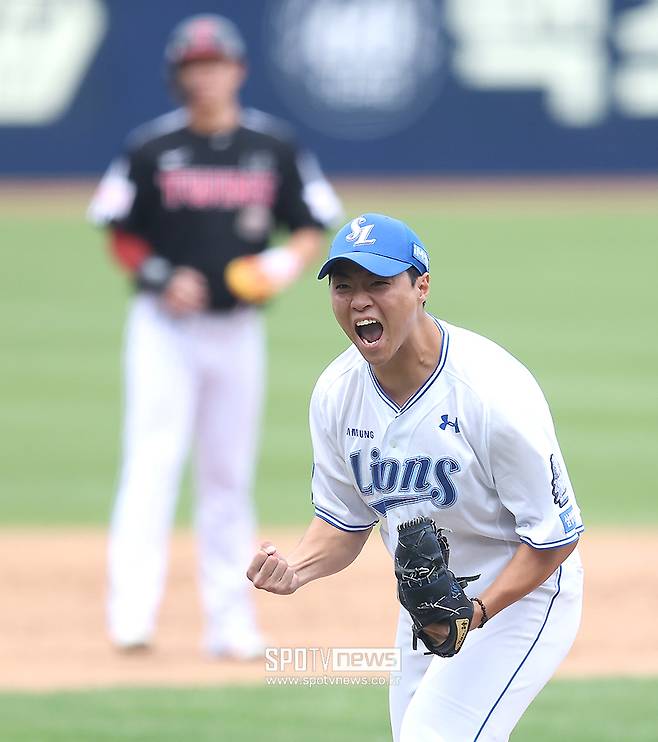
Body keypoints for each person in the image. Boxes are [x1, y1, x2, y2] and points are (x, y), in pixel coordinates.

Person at [247, 213, 584, 740]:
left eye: (379, 284)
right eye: (344, 287)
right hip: (423, 599)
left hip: (523, 594)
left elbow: (553, 538)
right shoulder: (337, 393)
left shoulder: (492, 394)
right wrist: (297, 567)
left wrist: (475, 612)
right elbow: (343, 523)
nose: (360, 301)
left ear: (421, 286)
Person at [87, 13, 341, 658]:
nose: (205, 75)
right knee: (152, 464)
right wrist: (158, 273)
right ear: (179, 76)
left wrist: (281, 264)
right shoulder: (152, 147)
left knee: (228, 477)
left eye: (214, 63)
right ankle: (131, 617)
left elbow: (312, 220)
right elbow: (117, 227)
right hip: (163, 330)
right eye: (193, 65)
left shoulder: (271, 145)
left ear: (237, 70)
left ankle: (231, 625)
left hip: (236, 331)